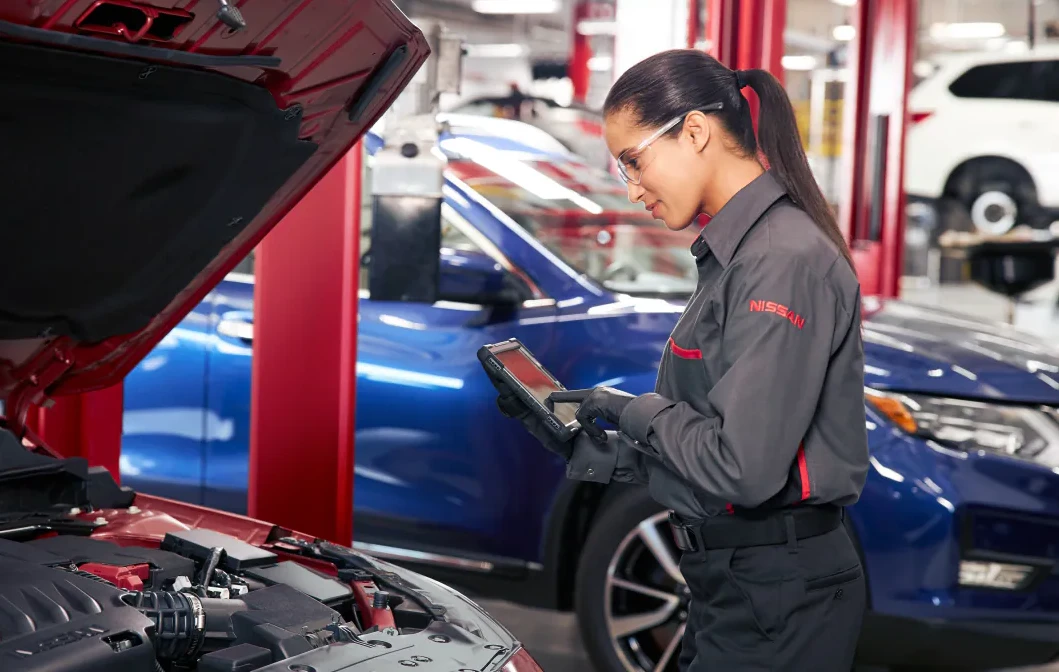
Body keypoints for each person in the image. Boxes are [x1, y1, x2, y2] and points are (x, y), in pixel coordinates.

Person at [487, 49, 869, 671]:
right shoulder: (740, 253)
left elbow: (744, 469)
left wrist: (634, 410)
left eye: (634, 161)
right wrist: (602, 451)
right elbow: (719, 445)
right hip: (739, 581)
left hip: (777, 593)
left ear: (694, 131)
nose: (633, 188)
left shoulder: (779, 260)